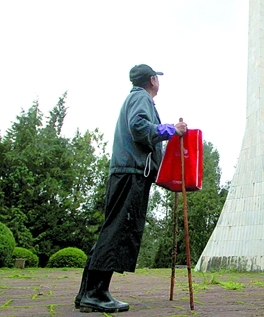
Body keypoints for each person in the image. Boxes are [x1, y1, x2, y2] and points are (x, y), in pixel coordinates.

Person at [74, 64, 187, 313]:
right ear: (152, 80)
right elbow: (138, 127)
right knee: (119, 230)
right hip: (131, 173)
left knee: (111, 228)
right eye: (157, 77)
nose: (159, 80)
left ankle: (86, 293)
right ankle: (96, 294)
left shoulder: (135, 97)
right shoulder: (141, 98)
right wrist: (171, 130)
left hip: (125, 172)